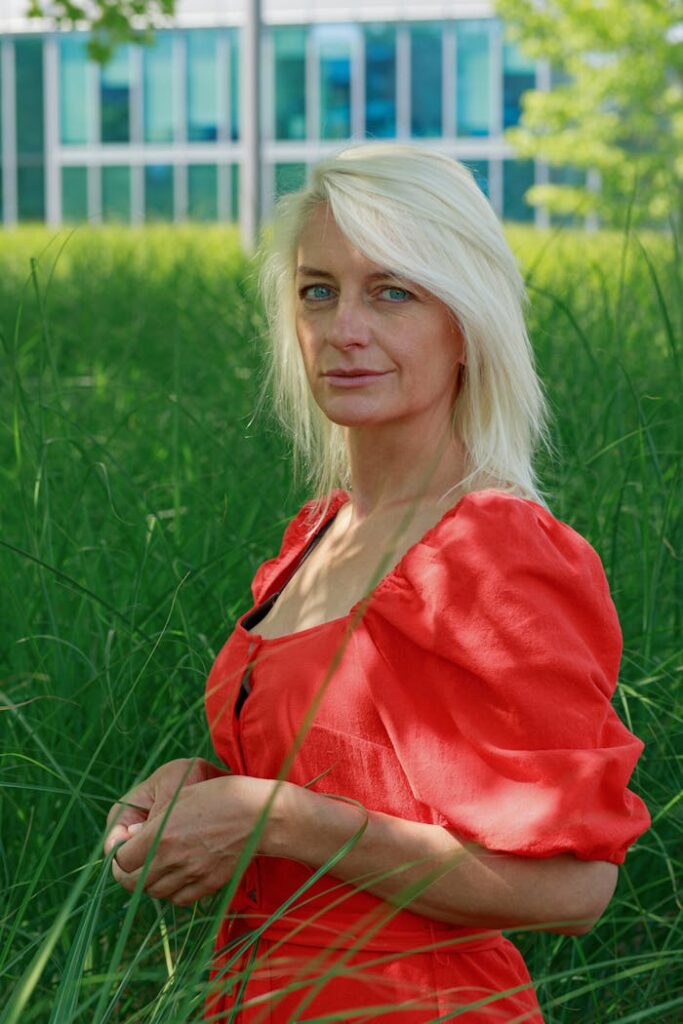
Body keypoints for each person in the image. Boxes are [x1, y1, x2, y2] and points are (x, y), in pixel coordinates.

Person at [104, 143, 651, 1022]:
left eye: (391, 291)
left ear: (466, 323)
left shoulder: (494, 551)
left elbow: (574, 888)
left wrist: (276, 819)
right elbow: (347, 780)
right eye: (319, 290)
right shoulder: (315, 535)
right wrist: (199, 788)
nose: (343, 328)